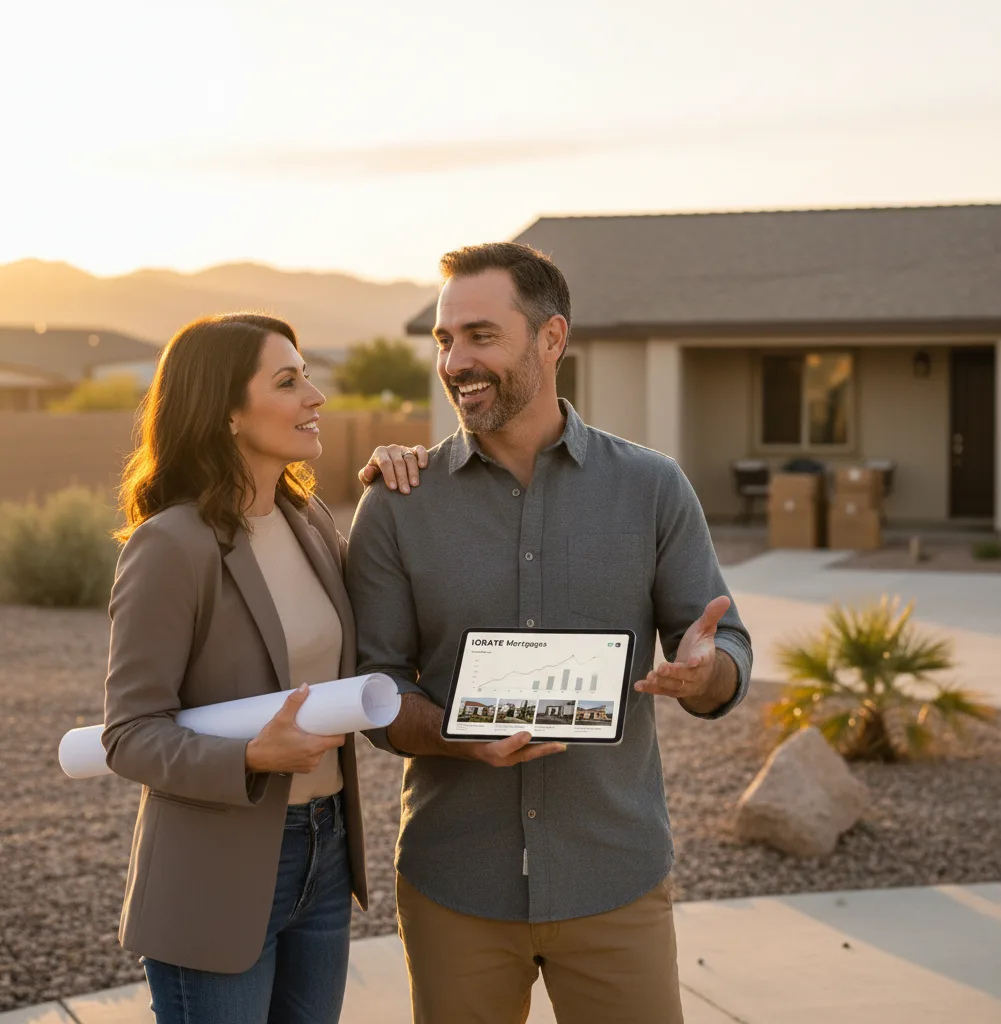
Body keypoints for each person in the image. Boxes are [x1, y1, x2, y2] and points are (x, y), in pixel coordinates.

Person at [347, 243, 753, 1024]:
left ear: (551, 338)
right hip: (455, 885)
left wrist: (707, 674)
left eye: (481, 336)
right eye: (445, 341)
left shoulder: (651, 487)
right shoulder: (399, 504)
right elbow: (376, 685)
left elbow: (725, 647)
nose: (456, 362)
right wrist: (458, 735)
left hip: (615, 878)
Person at [101, 312, 427, 1024]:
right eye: (287, 382)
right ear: (226, 413)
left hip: (326, 851)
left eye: (307, 375)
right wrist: (250, 755)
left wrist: (406, 476)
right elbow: (127, 734)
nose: (315, 396)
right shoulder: (171, 546)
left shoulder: (310, 521)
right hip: (214, 871)